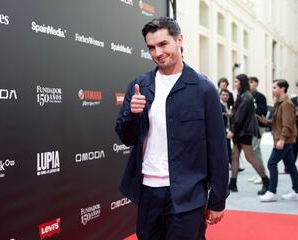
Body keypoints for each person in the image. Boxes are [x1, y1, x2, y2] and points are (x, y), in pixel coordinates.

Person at [115, 17, 229, 240]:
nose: (157, 52)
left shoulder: (203, 88)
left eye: (163, 44)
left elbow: (217, 149)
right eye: (151, 47)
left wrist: (218, 200)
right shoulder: (140, 86)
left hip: (188, 193)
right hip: (147, 191)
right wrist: (132, 114)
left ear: (179, 40)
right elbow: (125, 137)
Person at [258, 79, 298, 202]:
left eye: (274, 87)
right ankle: (296, 191)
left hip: (285, 140)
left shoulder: (286, 104)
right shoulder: (279, 102)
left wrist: (282, 139)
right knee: (290, 165)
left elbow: (287, 125)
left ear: (282, 89)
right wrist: (267, 122)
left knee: (271, 163)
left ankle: (272, 191)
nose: (272, 90)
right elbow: (279, 121)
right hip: (283, 139)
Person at [226, 74, 269, 195]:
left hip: (244, 131)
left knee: (250, 157)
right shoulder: (242, 95)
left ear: (241, 83)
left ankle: (266, 181)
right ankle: (233, 183)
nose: (234, 83)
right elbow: (238, 114)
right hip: (241, 130)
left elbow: (240, 116)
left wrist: (232, 130)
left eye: (236, 81)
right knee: (235, 155)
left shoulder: (246, 96)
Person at [248, 77, 268, 184]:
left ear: (256, 84)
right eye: (249, 82)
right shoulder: (246, 95)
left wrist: (251, 111)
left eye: (252, 82)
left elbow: (263, 110)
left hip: (258, 126)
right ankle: (258, 173)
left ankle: (262, 174)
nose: (250, 84)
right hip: (249, 127)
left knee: (255, 149)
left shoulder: (260, 97)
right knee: (252, 150)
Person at [220, 89, 232, 165]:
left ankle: (231, 163)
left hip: (228, 128)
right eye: (223, 95)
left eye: (227, 95)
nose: (225, 96)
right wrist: (225, 114)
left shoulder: (229, 105)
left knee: (228, 147)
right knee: (224, 148)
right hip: (222, 129)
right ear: (220, 95)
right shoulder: (217, 104)